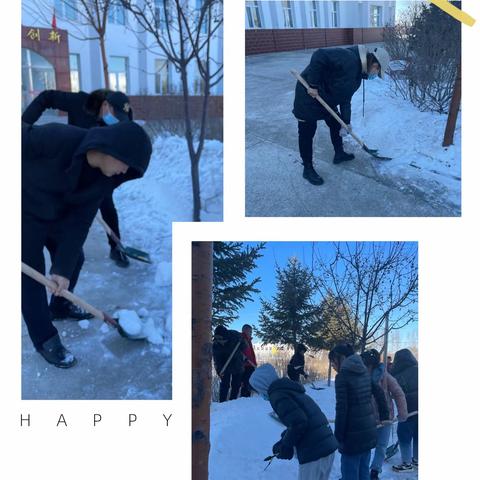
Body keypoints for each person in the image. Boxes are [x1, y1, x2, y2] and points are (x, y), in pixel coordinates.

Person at [22, 120, 152, 368]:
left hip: (56, 217)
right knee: (31, 277)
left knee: (73, 260)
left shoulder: (102, 181)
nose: (125, 172)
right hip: (23, 214)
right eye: (127, 164)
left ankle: (59, 306)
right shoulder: (57, 138)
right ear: (115, 149)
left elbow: (80, 224)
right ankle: (45, 338)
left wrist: (61, 268)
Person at [22, 88, 133, 269]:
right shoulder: (79, 102)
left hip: (98, 172)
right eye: (116, 116)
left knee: (107, 205)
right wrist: (25, 122)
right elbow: (47, 97)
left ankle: (116, 246)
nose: (116, 124)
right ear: (105, 104)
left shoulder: (113, 126)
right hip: (66, 167)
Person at [292, 45, 391, 185]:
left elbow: (345, 99)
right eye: (377, 71)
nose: (375, 75)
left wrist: (346, 122)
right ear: (375, 64)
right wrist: (313, 85)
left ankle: (339, 154)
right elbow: (319, 55)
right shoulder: (348, 58)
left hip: (325, 97)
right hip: (308, 94)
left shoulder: (357, 75)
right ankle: (308, 169)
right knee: (307, 133)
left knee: (336, 124)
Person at [250, 364, 338, 480]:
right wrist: (283, 441)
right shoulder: (289, 390)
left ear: (262, 385)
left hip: (315, 451)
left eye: (258, 390)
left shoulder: (277, 395)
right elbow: (297, 420)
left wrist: (286, 446)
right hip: (326, 445)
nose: (259, 394)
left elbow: (299, 422)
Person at [328, 344, 389, 480]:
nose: (332, 365)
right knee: (363, 472)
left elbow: (342, 408)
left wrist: (338, 437)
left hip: (352, 438)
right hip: (368, 432)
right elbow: (379, 392)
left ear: (342, 358)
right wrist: (384, 414)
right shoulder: (363, 371)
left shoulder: (342, 377)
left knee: (350, 474)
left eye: (333, 360)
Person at [361, 349, 408, 480]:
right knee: (364, 447)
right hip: (366, 418)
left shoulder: (385, 377)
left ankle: (375, 471)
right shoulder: (360, 377)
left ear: (371, 365)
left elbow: (398, 393)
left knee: (381, 446)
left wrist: (402, 413)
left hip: (385, 419)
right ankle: (362, 472)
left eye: (366, 365)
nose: (364, 367)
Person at [390, 349, 418, 472]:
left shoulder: (397, 375)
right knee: (418, 435)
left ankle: (407, 463)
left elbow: (395, 393)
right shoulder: (419, 370)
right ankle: (417, 460)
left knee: (403, 436)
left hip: (406, 411)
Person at [212, 326, 246, 402]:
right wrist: (219, 371)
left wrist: (241, 343)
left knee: (236, 384)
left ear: (225, 336)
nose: (218, 340)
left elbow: (245, 346)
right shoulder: (216, 345)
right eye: (217, 338)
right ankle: (222, 403)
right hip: (224, 365)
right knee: (224, 384)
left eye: (220, 338)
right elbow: (217, 360)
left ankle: (232, 402)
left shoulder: (235, 336)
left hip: (237, 363)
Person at [240, 324, 257, 397]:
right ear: (245, 331)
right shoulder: (242, 339)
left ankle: (246, 399)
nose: (251, 333)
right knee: (246, 385)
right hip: (246, 366)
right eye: (250, 331)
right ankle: (244, 400)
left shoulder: (248, 340)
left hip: (250, 365)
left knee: (248, 385)